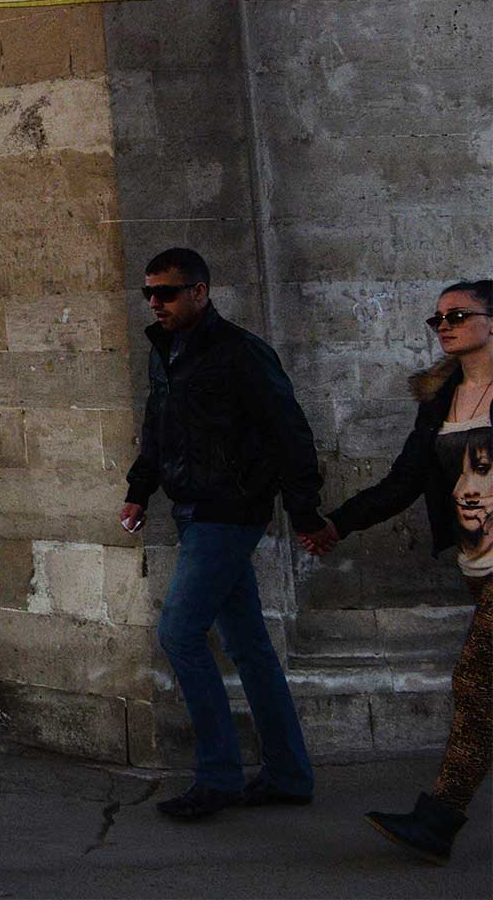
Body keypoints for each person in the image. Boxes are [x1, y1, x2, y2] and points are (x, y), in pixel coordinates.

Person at [121, 247, 326, 821]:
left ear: (201, 291)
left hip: (229, 512)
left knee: (180, 633)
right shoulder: (167, 352)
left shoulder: (240, 353)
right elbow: (157, 429)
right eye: (149, 294)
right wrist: (141, 489)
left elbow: (291, 432)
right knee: (248, 646)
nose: (156, 303)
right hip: (192, 511)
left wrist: (305, 513)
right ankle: (288, 774)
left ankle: (217, 777)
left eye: (166, 292)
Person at [300, 278, 493, 863]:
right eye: (436, 319)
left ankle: (439, 820)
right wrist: (339, 523)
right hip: (477, 565)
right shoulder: (441, 400)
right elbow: (405, 480)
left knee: (476, 683)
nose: (444, 326)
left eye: (457, 314)